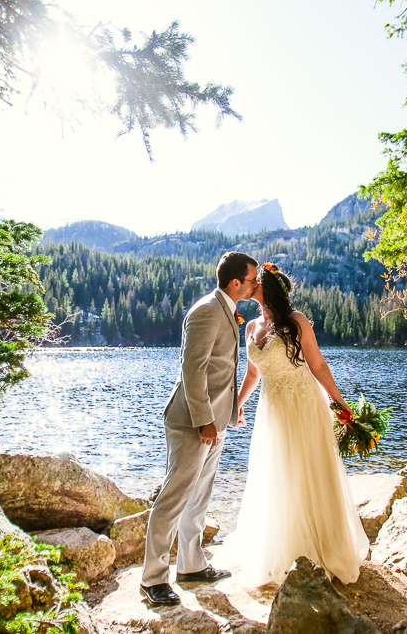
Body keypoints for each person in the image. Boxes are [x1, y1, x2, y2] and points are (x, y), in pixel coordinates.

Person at [214, 262, 369, 586]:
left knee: (308, 472)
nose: (251, 284)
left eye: (256, 282)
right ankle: (284, 550)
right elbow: (254, 373)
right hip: (271, 409)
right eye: (250, 281)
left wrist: (342, 408)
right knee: (277, 473)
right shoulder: (252, 327)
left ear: (266, 288)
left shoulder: (296, 322)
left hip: (304, 404)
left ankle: (321, 549)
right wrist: (235, 407)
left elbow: (318, 364)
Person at [140, 251, 259, 606]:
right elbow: (193, 369)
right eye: (253, 279)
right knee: (174, 498)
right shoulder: (207, 310)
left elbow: (221, 369)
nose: (256, 285)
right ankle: (152, 579)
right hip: (192, 422)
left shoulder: (226, 310)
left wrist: (230, 410)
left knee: (199, 497)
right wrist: (205, 420)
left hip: (214, 421)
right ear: (236, 282)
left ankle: (191, 564)